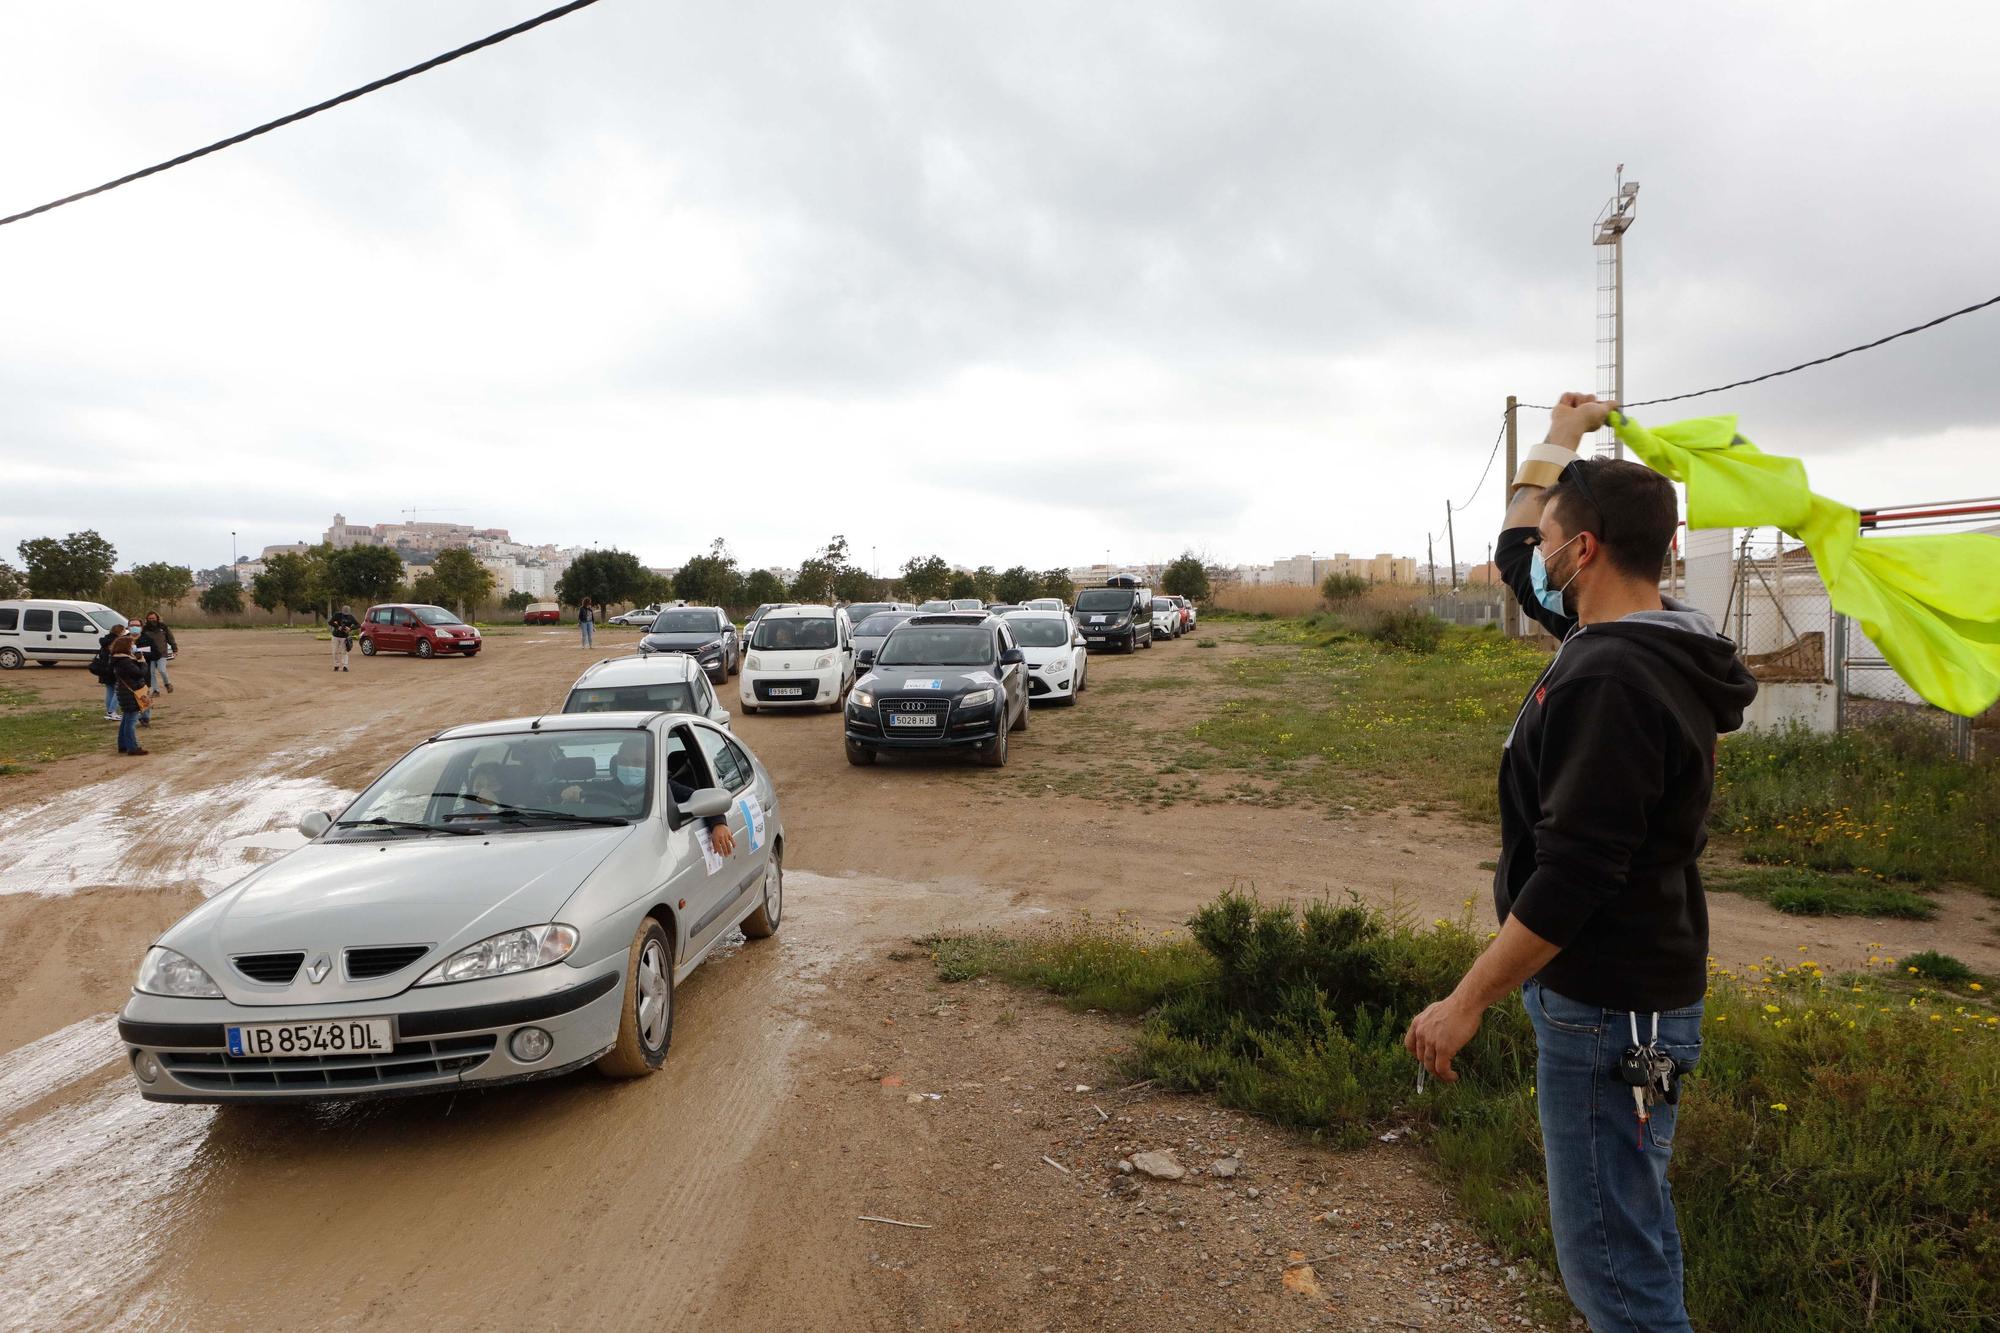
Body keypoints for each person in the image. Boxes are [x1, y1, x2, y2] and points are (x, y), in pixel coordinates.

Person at [1403, 392, 1758, 1332]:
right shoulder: (1639, 639)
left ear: (1588, 551)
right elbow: (1515, 558)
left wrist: (1463, 1001)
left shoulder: (1611, 674)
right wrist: (1560, 438)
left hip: (1611, 1010)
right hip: (1624, 999)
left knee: (1614, 1270)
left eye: (1556, 538)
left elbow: (1578, 872)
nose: (1539, 556)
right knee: (1628, 1234)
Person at [559, 736, 734, 855]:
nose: (629, 767)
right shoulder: (606, 787)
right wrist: (573, 794)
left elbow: (702, 799)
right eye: (624, 762)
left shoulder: (666, 787)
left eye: (637, 763)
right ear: (616, 763)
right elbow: (582, 794)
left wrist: (718, 824)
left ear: (650, 765)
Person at [108, 634, 151, 756]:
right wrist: (142, 661)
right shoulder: (124, 661)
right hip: (130, 694)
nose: (134, 647)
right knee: (131, 721)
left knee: (126, 720)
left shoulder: (120, 659)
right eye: (131, 645)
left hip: (126, 693)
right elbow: (139, 673)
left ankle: (123, 745)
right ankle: (132, 747)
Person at [124, 620, 155, 729]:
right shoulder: (123, 639)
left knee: (144, 696)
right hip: (127, 673)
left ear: (141, 627)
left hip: (144, 673)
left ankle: (145, 718)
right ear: (128, 626)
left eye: (137, 625)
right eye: (132, 625)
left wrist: (141, 654)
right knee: (130, 698)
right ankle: (131, 718)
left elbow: (156, 654)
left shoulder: (147, 639)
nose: (134, 627)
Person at [138, 612, 178, 693]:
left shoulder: (163, 627)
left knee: (162, 670)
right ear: (147, 619)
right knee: (151, 673)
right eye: (149, 619)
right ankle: (156, 690)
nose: (151, 620)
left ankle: (167, 684)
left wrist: (175, 649)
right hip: (150, 654)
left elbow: (170, 638)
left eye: (153, 618)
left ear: (157, 618)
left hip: (162, 653)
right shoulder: (144, 629)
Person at [329, 605, 360, 672]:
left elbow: (358, 625)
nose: (345, 614)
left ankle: (345, 666)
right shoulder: (337, 615)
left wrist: (350, 628)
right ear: (342, 611)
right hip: (335, 636)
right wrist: (338, 627)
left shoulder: (351, 617)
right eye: (344, 613)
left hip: (344, 637)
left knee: (344, 652)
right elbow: (330, 622)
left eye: (347, 613)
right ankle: (336, 665)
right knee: (335, 652)